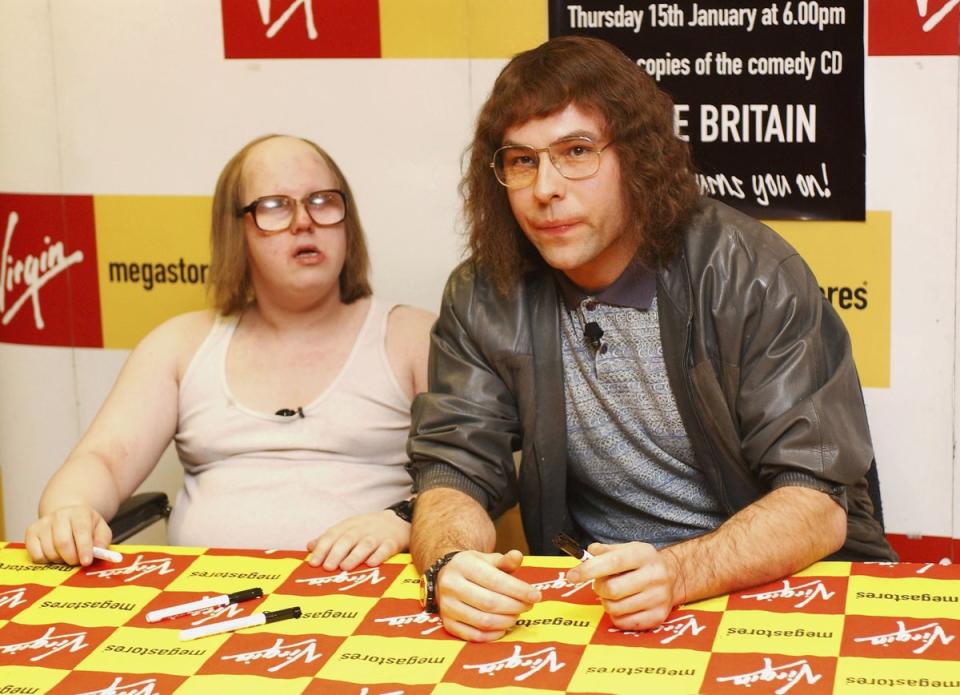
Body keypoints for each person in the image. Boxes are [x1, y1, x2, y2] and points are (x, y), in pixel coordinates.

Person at [406, 36, 896, 642]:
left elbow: (818, 501)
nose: (545, 188)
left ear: (637, 158)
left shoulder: (750, 270)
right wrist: (448, 563)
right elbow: (452, 471)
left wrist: (678, 571)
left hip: (777, 589)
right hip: (606, 605)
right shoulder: (485, 289)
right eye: (521, 160)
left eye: (577, 151)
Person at [26, 134, 434, 570]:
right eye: (275, 206)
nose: (304, 221)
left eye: (321, 200)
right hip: (206, 603)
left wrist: (403, 519)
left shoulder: (415, 337)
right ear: (236, 230)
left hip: (371, 606)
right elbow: (101, 460)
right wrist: (69, 510)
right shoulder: (179, 345)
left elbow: (479, 478)